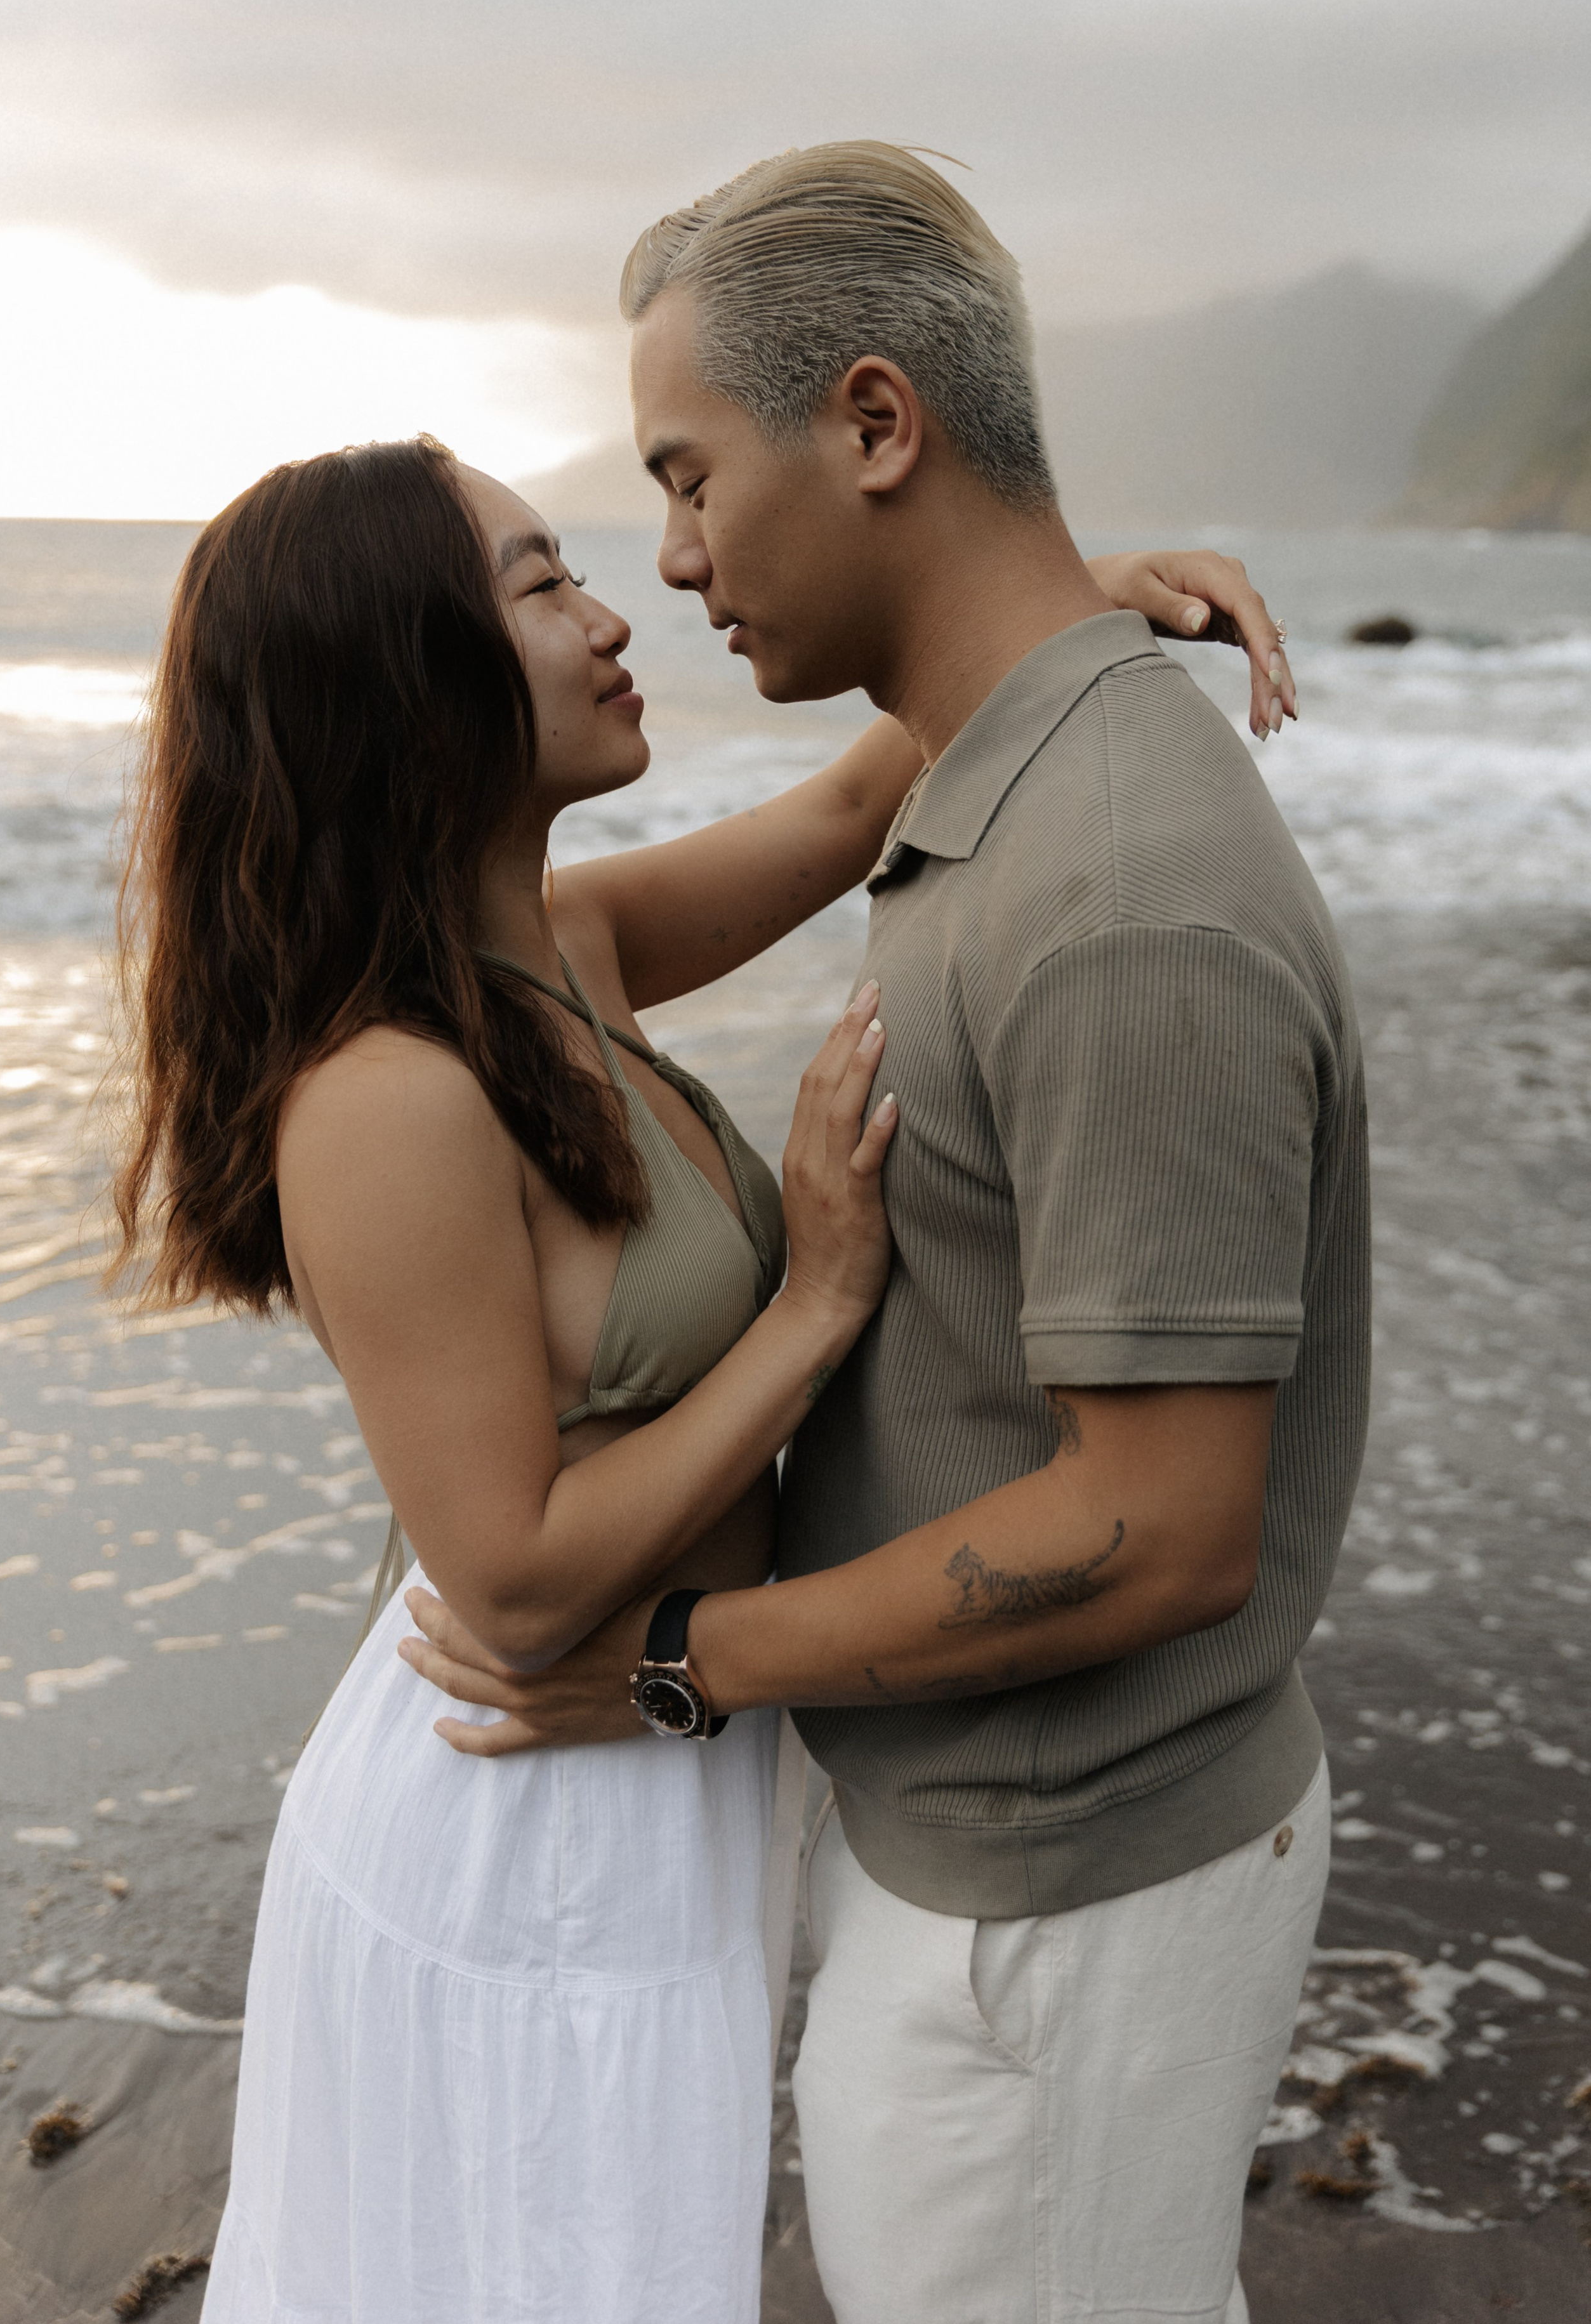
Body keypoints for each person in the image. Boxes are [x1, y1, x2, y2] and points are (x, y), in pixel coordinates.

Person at [112, 421, 1282, 2322]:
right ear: (407, 673)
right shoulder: (388, 1096)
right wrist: (818, 1298)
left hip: (658, 1773)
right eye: (538, 581)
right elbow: (509, 1575)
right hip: (525, 1814)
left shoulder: (562, 946)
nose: (613, 608)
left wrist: (1074, 609)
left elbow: (843, 819)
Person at [404, 143, 1368, 2324]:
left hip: (1059, 1880)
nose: (662, 563)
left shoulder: (1113, 881)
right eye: (587, 543)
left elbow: (1167, 1523)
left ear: (868, 426)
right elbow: (859, 789)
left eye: (680, 475)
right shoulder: (982, 796)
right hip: (972, 1834)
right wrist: (1070, 601)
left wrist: (679, 1668)